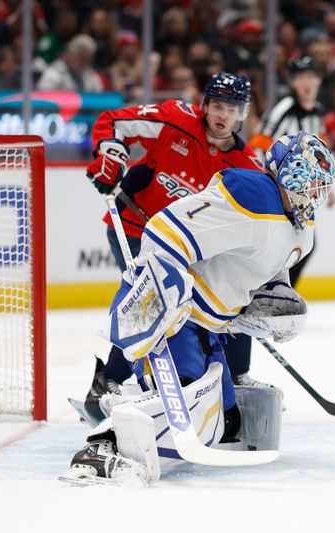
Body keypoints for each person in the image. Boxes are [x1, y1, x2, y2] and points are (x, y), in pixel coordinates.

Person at [64, 132, 335, 485]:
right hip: (181, 318)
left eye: (320, 186)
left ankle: (121, 398)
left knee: (226, 422)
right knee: (185, 394)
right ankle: (102, 446)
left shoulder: (303, 227)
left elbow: (268, 270)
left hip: (210, 329)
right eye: (307, 179)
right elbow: (165, 231)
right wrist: (162, 292)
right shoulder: (251, 194)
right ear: (284, 170)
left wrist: (273, 304)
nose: (312, 193)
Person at [83, 72, 267, 421]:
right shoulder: (176, 120)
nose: (222, 115)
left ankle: (236, 377)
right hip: (137, 225)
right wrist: (110, 150)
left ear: (242, 114)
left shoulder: (246, 168)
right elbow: (114, 121)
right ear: (204, 105)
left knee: (223, 299)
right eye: (216, 106)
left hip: (185, 247)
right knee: (150, 298)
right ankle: (108, 382)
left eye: (231, 109)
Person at [249, 55, 327, 289]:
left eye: (311, 77)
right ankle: (270, 294)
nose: (307, 83)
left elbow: (318, 150)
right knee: (285, 245)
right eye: (301, 77)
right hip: (275, 188)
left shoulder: (318, 112)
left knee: (303, 245)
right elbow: (258, 145)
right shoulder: (283, 109)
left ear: (319, 81)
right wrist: (269, 183)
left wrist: (324, 185)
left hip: (299, 192)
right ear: (292, 82)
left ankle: (279, 294)